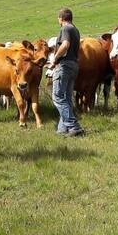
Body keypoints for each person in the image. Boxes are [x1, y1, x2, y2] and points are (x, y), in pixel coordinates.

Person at [48, 7, 85, 137]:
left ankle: (74, 126)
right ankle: (62, 129)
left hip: (64, 65)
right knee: (67, 97)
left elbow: (65, 45)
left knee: (57, 97)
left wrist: (55, 58)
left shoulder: (65, 28)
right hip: (74, 65)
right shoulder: (75, 29)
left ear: (61, 18)